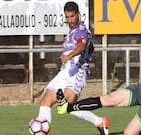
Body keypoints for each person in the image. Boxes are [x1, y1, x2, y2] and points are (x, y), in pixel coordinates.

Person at [35, 1, 108, 135]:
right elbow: (88, 47)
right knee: (45, 100)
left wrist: (72, 55)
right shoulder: (71, 32)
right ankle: (41, 132)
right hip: (64, 72)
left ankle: (99, 122)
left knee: (68, 104)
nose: (70, 20)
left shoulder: (81, 30)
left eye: (72, 16)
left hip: (77, 71)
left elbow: (80, 46)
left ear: (79, 15)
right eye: (67, 17)